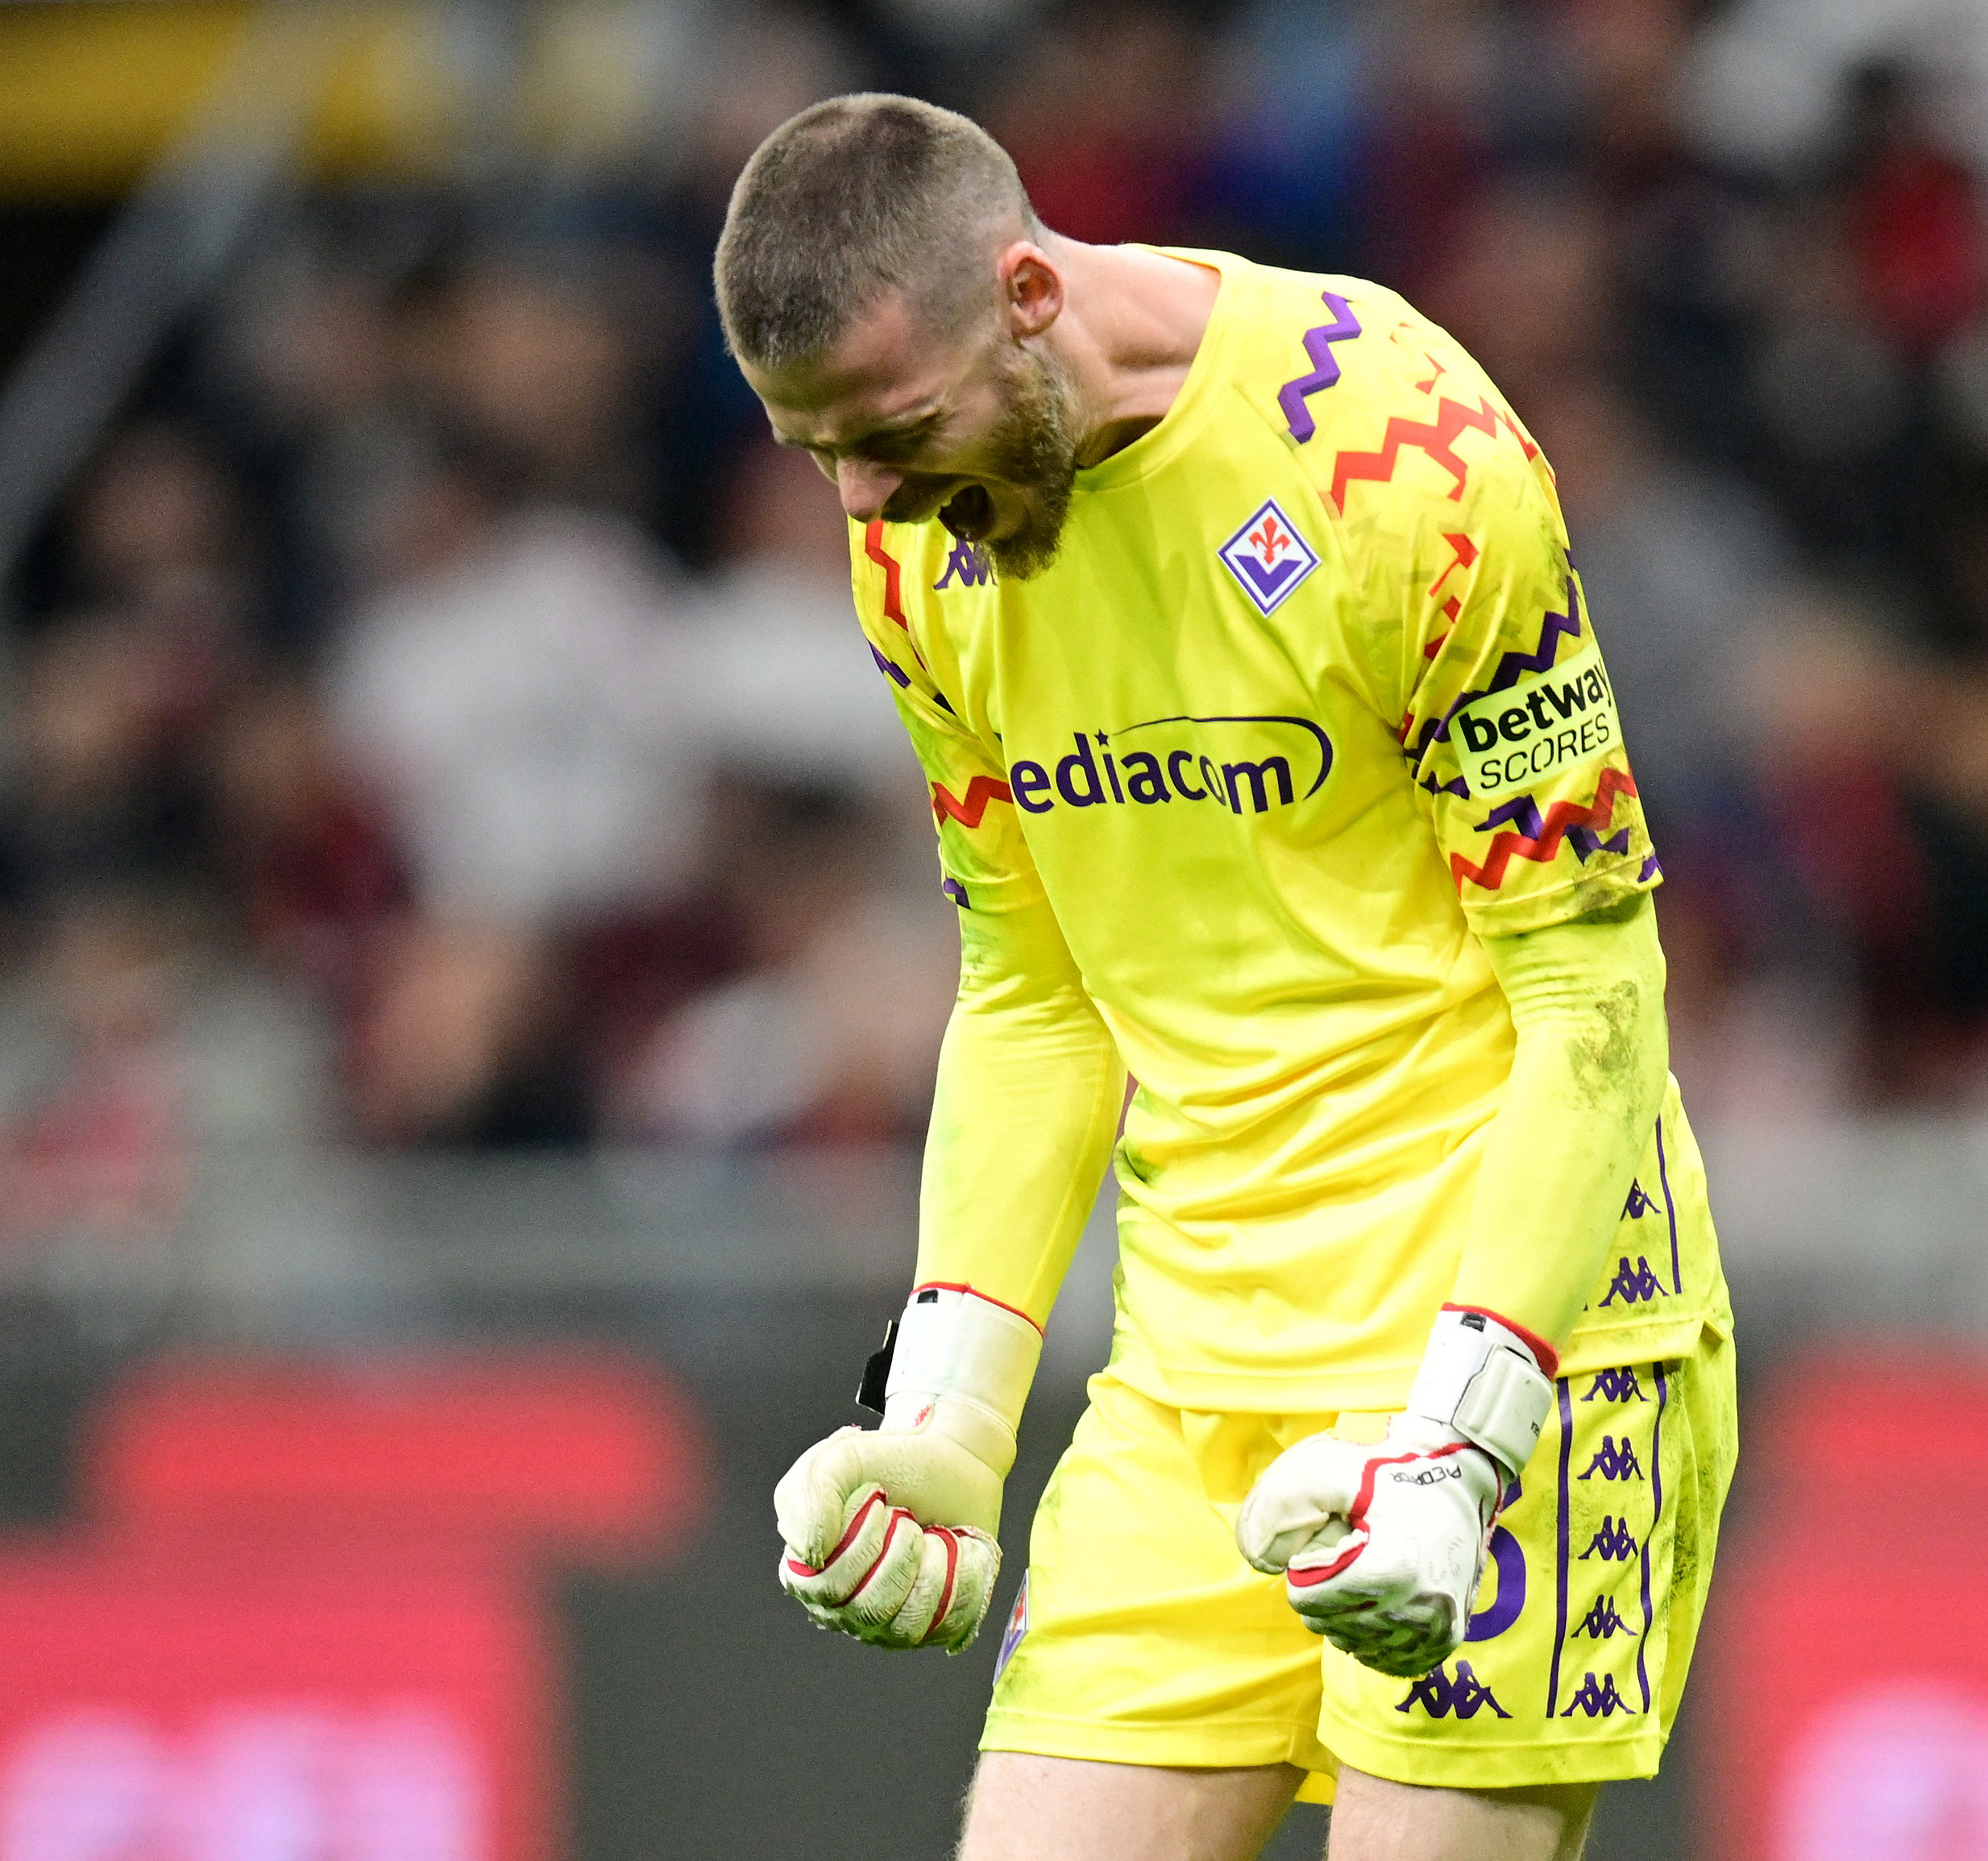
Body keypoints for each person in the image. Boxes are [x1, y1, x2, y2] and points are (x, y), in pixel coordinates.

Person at [718, 94, 1736, 1861]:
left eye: (886, 431)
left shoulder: (1399, 460)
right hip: (1191, 1377)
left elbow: (1596, 1006)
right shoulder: (914, 542)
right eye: (817, 453)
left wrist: (1463, 1442)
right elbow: (1033, 989)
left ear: (1029, 297)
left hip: (1516, 1344)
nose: (865, 499)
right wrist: (949, 1414)